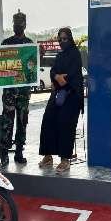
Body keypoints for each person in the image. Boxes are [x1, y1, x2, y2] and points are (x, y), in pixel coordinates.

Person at [39, 27, 84, 173]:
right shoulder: (60, 55)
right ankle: (48, 155)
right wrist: (57, 76)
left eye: (64, 39)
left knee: (65, 123)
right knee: (48, 119)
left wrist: (60, 78)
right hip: (59, 93)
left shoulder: (75, 54)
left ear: (70, 39)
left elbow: (71, 75)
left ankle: (65, 160)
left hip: (72, 95)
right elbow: (53, 71)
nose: (62, 41)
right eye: (60, 39)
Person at [0, 10, 33, 167]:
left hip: (24, 93)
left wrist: (38, 56)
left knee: (22, 121)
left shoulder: (30, 44)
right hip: (9, 92)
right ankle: (4, 153)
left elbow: (33, 66)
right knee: (7, 122)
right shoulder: (6, 43)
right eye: (15, 23)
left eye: (20, 23)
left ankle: (19, 152)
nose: (17, 26)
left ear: (25, 25)